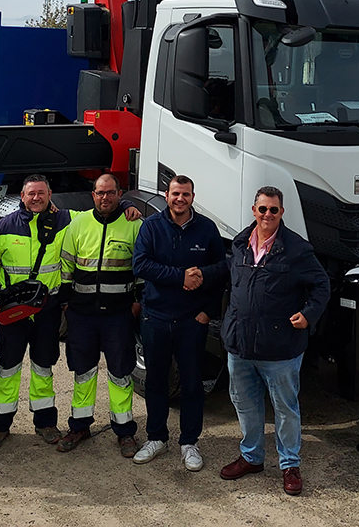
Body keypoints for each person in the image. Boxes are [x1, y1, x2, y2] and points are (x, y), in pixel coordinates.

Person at [218, 186, 329, 497]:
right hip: (240, 346)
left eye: (274, 210)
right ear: (254, 211)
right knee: (245, 404)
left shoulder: (296, 248)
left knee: (285, 408)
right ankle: (251, 457)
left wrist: (308, 315)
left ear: (282, 213)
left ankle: (289, 465)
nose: (267, 215)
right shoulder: (240, 244)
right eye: (262, 209)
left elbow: (321, 285)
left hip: (280, 348)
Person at [130, 174, 226, 472]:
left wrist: (208, 311)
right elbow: (141, 264)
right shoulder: (152, 226)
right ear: (167, 195)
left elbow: (222, 270)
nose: (180, 199)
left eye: (185, 194)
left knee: (192, 384)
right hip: (155, 317)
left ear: (192, 197)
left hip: (191, 320)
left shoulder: (207, 229)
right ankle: (156, 438)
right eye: (175, 194)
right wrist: (180, 277)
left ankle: (189, 443)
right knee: (157, 381)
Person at [54, 174, 145, 457]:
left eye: (110, 193)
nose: (105, 198)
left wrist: (137, 303)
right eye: (100, 193)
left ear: (120, 194)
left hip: (118, 315)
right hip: (82, 314)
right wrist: (67, 303)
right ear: (93, 195)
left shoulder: (134, 224)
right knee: (83, 372)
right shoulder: (78, 223)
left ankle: (125, 430)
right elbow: (66, 264)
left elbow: (142, 269)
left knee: (120, 373)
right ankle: (80, 425)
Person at [0, 175, 69, 449]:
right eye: (31, 194)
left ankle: (45, 423)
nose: (36, 198)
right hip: (14, 314)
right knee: (8, 368)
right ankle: (0, 426)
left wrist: (128, 208)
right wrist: (9, 294)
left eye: (41, 193)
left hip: (47, 311)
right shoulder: (4, 226)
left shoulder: (64, 222)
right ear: (21, 196)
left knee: (44, 367)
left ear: (50, 194)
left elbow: (99, 212)